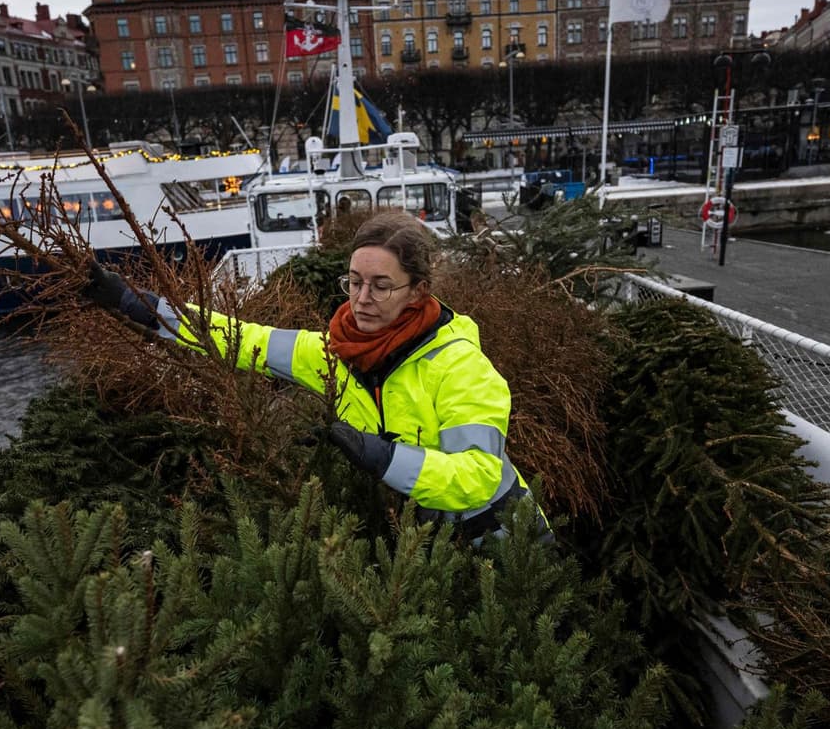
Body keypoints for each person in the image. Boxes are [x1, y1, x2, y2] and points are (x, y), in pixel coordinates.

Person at [83, 211, 543, 542]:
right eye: (354, 281)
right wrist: (139, 305)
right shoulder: (331, 353)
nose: (361, 298)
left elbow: (479, 477)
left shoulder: (461, 366)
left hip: (505, 540)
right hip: (429, 542)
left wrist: (385, 458)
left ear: (418, 291)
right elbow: (241, 339)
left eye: (381, 286)